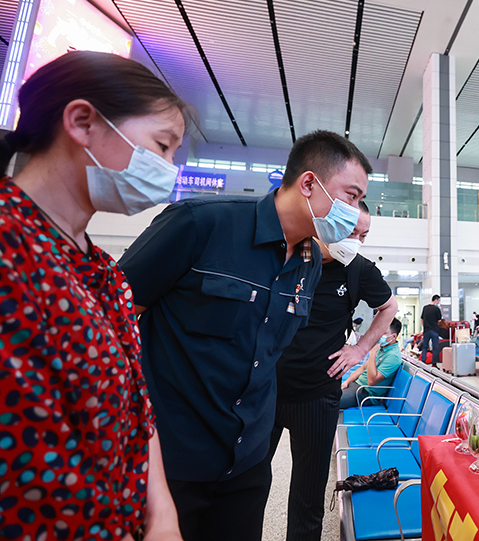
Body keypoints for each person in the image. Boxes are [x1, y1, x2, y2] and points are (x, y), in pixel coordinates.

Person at [119, 130, 372, 541]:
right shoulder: (200, 224)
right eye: (352, 196)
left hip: (247, 463)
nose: (355, 213)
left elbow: (267, 352)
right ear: (309, 183)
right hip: (173, 460)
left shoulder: (309, 263)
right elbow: (112, 322)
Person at [0, 51, 184, 539]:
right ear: (82, 122)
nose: (169, 170)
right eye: (162, 146)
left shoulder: (104, 273)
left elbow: (136, 405)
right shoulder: (11, 246)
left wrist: (161, 510)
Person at [268, 201, 395, 541]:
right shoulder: (290, 253)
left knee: (307, 495)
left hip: (317, 394)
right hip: (266, 388)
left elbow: (388, 306)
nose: (357, 242)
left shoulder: (358, 269)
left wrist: (360, 349)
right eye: (353, 232)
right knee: (246, 481)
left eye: (364, 236)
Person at [340, 318, 404, 408]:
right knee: (326, 394)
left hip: (366, 394)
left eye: (384, 333)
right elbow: (362, 368)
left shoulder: (393, 356)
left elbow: (371, 381)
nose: (380, 335)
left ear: (393, 336)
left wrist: (372, 354)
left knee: (330, 402)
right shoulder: (382, 348)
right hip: (356, 385)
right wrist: (347, 382)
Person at [420, 294, 442, 365]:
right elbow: (439, 320)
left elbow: (422, 319)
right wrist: (439, 310)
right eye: (438, 301)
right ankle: (434, 363)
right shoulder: (436, 309)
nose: (438, 302)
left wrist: (424, 327)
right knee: (435, 347)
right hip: (434, 330)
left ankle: (423, 362)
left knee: (425, 346)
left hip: (426, 330)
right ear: (436, 300)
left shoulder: (425, 307)